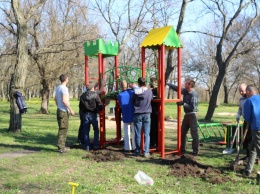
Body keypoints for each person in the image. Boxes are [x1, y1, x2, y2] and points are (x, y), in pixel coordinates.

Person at [167, 79, 199, 156]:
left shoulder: (193, 94)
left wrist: (183, 104)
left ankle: (195, 150)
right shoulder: (185, 91)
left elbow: (192, 107)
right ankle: (182, 149)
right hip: (187, 115)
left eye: (186, 84)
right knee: (183, 132)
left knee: (194, 133)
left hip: (192, 115)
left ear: (190, 85)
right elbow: (177, 88)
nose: (185, 84)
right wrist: (168, 83)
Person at [79, 82, 103, 151]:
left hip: (85, 114)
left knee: (86, 131)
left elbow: (80, 106)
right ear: (93, 88)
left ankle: (87, 146)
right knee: (96, 130)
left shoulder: (82, 96)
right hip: (93, 114)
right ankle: (95, 145)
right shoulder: (95, 95)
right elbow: (100, 105)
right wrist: (98, 110)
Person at [132, 77, 153, 157]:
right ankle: (146, 151)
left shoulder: (135, 92)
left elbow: (132, 101)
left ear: (139, 83)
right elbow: (151, 99)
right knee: (147, 134)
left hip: (137, 113)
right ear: (145, 83)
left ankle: (137, 151)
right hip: (147, 113)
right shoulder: (149, 92)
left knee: (138, 134)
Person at [55, 74, 75, 153]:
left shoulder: (58, 88)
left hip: (59, 110)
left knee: (61, 128)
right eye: (68, 78)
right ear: (66, 79)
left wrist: (58, 106)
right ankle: (61, 148)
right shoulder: (64, 88)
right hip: (63, 111)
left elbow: (55, 99)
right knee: (63, 129)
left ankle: (61, 146)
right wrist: (71, 110)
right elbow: (64, 100)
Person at [243, 85, 260, 176]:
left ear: (249, 92)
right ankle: (248, 170)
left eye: (246, 92)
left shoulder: (249, 101)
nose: (246, 94)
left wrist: (248, 120)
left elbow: (247, 118)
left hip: (257, 127)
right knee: (252, 148)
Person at [117, 80, 136, 152]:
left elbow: (121, 105)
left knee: (126, 131)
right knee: (134, 131)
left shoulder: (120, 95)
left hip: (125, 113)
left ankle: (127, 147)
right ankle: (135, 146)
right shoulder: (132, 93)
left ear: (120, 86)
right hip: (133, 113)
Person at [236, 83, 251, 160]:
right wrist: (238, 115)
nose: (241, 93)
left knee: (251, 139)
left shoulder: (250, 99)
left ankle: (253, 156)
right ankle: (248, 155)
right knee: (246, 139)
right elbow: (240, 109)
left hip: (253, 122)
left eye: (242, 91)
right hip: (246, 121)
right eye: (240, 91)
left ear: (246, 90)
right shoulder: (241, 100)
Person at [149, 77, 159, 148]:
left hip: (155, 111)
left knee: (155, 127)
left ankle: (155, 142)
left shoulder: (157, 90)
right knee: (152, 127)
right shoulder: (150, 91)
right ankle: (153, 142)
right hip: (152, 111)